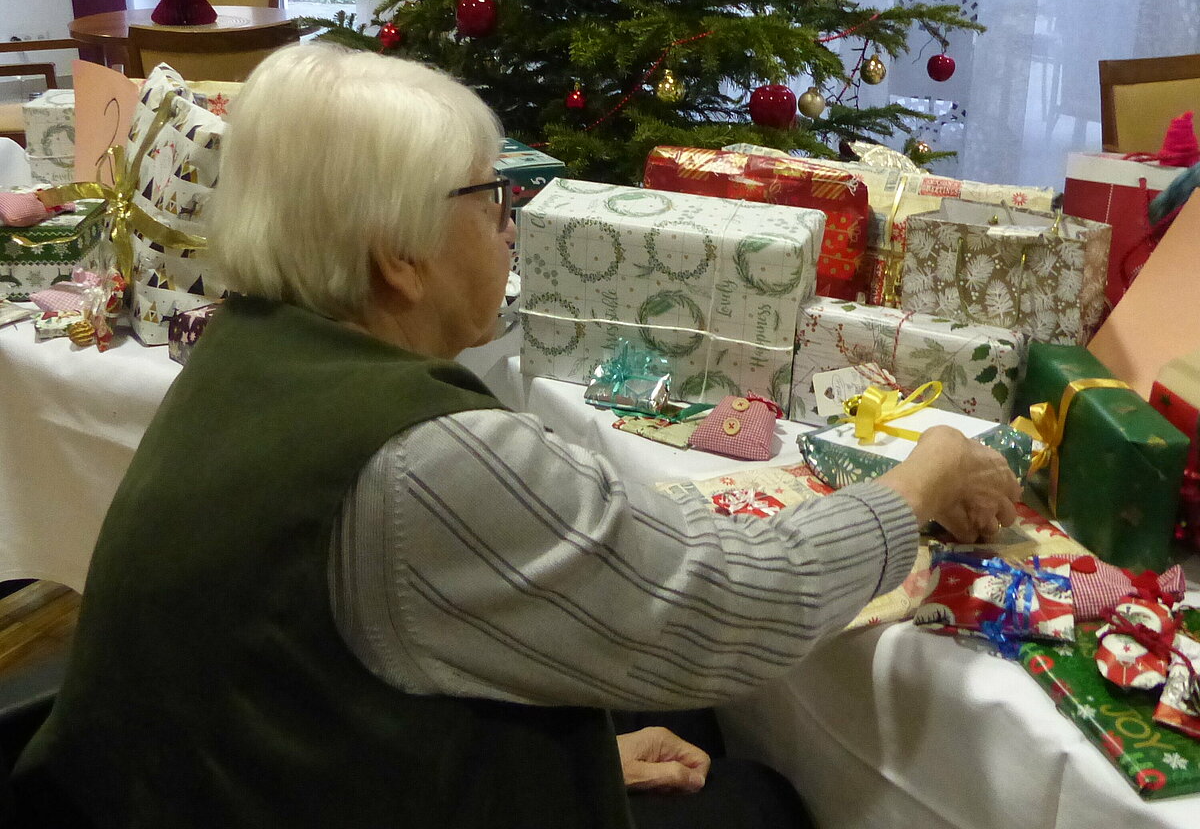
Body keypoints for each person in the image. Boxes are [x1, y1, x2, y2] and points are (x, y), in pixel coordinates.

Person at [14, 43, 1020, 828]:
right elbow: (718, 613)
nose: (510, 225)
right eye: (490, 195)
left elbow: (299, 676)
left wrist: (572, 756)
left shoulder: (251, 352)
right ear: (398, 256)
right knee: (758, 803)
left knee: (647, 733)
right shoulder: (418, 453)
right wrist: (914, 485)